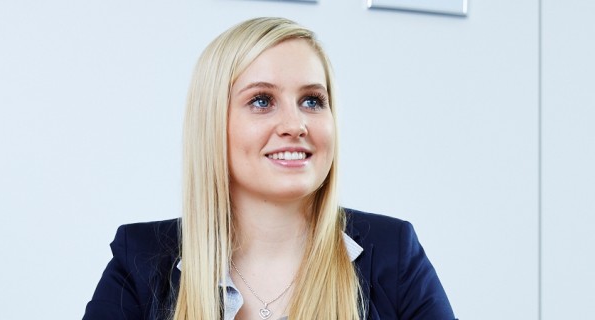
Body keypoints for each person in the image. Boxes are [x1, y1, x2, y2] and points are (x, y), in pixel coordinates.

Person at [83, 17, 455, 320]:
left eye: (312, 100)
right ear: (212, 123)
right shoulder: (139, 261)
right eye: (262, 100)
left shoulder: (394, 254)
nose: (295, 124)